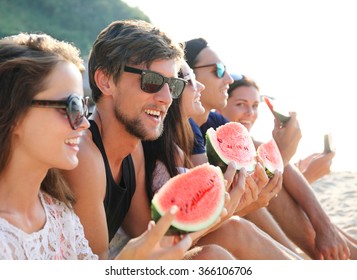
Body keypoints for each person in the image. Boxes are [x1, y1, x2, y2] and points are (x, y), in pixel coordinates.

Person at [0, 32, 193, 260]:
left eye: (82, 106)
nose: (83, 122)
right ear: (15, 113)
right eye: (70, 107)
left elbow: (147, 238)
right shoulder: (83, 162)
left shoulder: (59, 217)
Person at [61, 20, 235, 260]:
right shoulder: (84, 155)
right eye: (151, 81)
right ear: (105, 81)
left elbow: (147, 236)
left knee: (213, 255)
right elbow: (99, 262)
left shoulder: (133, 152)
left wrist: (217, 208)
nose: (165, 98)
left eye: (173, 85)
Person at [139, 60, 301, 260]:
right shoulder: (162, 152)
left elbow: (207, 213)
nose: (200, 86)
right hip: (161, 253)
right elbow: (167, 237)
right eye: (189, 80)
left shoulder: (180, 145)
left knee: (236, 226)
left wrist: (245, 201)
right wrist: (246, 203)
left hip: (184, 241)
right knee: (234, 228)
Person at [216, 73, 356, 259]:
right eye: (241, 104)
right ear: (221, 104)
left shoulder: (249, 146)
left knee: (330, 232)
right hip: (232, 223)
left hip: (259, 217)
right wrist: (303, 172)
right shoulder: (212, 144)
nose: (250, 113)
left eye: (255, 106)